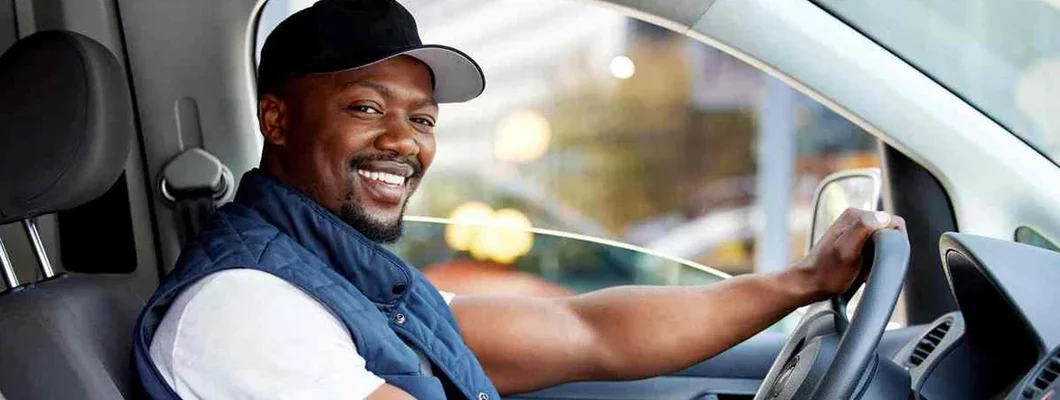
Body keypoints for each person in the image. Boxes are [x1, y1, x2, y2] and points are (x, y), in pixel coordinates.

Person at [130, 0, 906, 399]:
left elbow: (584, 331)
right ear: (277, 119)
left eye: (423, 119)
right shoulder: (244, 307)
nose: (403, 142)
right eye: (366, 108)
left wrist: (802, 282)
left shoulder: (343, 277)